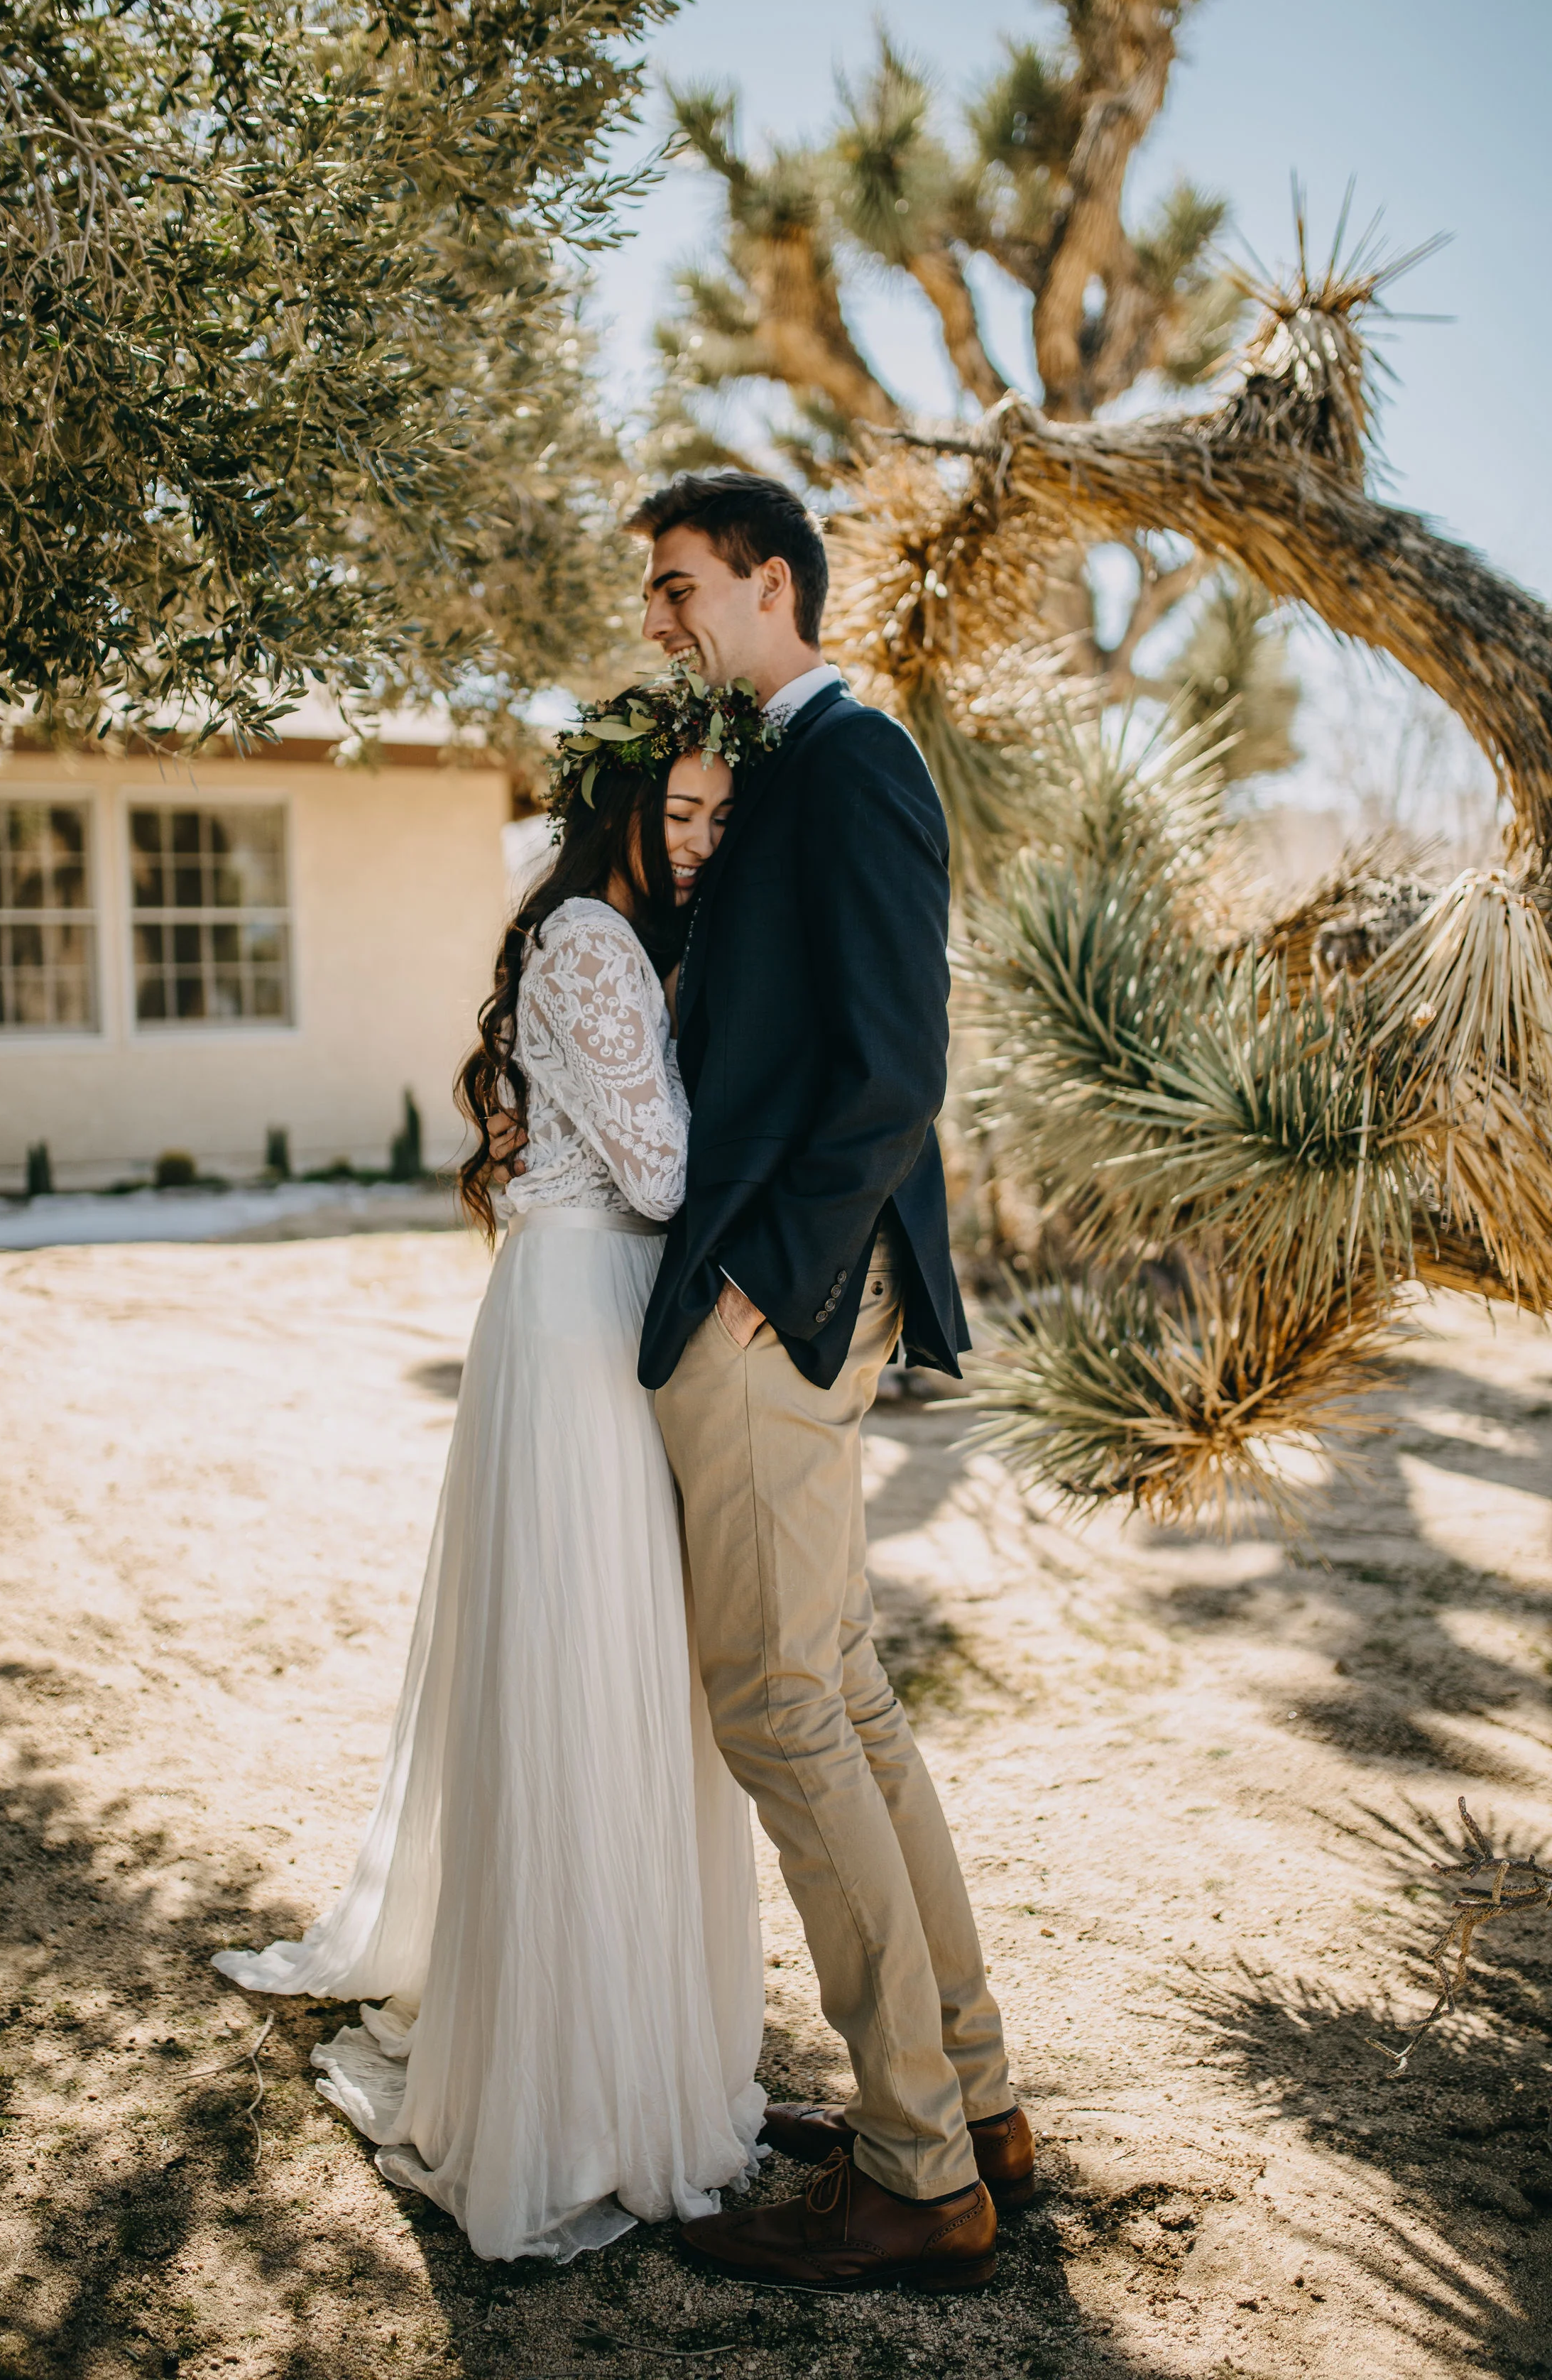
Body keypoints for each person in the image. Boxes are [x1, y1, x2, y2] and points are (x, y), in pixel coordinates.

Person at [214, 678, 781, 2263]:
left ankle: (606, 2034)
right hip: (589, 1310)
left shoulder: (604, 942)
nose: (698, 841)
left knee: (598, 1667)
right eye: (676, 811)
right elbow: (663, 1168)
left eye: (718, 819)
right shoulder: (596, 945)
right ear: (613, 808)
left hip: (582, 1310)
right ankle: (577, 2080)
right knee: (591, 1671)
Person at [630, 471, 1033, 2296]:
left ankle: (916, 2175)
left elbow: (891, 1069)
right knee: (845, 1697)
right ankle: (973, 2103)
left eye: (681, 584)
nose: (661, 618)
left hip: (777, 1311)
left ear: (771, 584)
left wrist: (753, 1291)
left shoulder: (853, 750)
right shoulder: (793, 760)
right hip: (788, 1303)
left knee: (784, 1708)